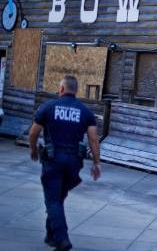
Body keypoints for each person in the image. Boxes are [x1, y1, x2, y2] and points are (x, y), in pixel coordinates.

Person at [28, 75, 101, 251]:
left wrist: (33, 150)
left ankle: (62, 239)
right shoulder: (85, 111)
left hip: (53, 160)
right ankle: (51, 235)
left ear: (61, 89)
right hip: (74, 162)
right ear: (76, 90)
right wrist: (96, 163)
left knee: (53, 199)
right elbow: (93, 140)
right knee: (58, 198)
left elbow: (33, 133)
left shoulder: (48, 107)